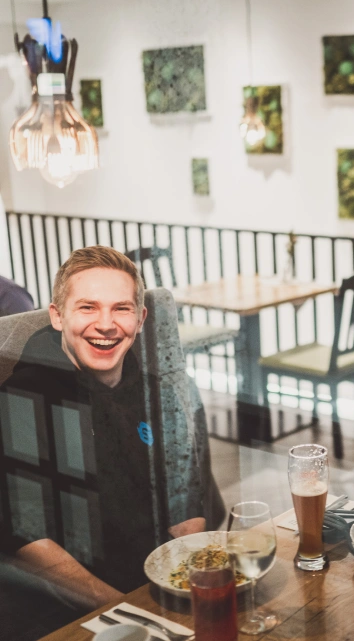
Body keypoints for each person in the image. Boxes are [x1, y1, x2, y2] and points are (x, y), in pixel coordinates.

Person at [0, 246, 222, 617]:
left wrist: (190, 584)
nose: (106, 324)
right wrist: (127, 609)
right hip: (80, 608)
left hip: (162, 586)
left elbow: (183, 503)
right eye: (88, 307)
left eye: (121, 308)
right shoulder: (24, 399)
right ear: (57, 316)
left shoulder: (158, 390)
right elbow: (29, 539)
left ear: (141, 318)